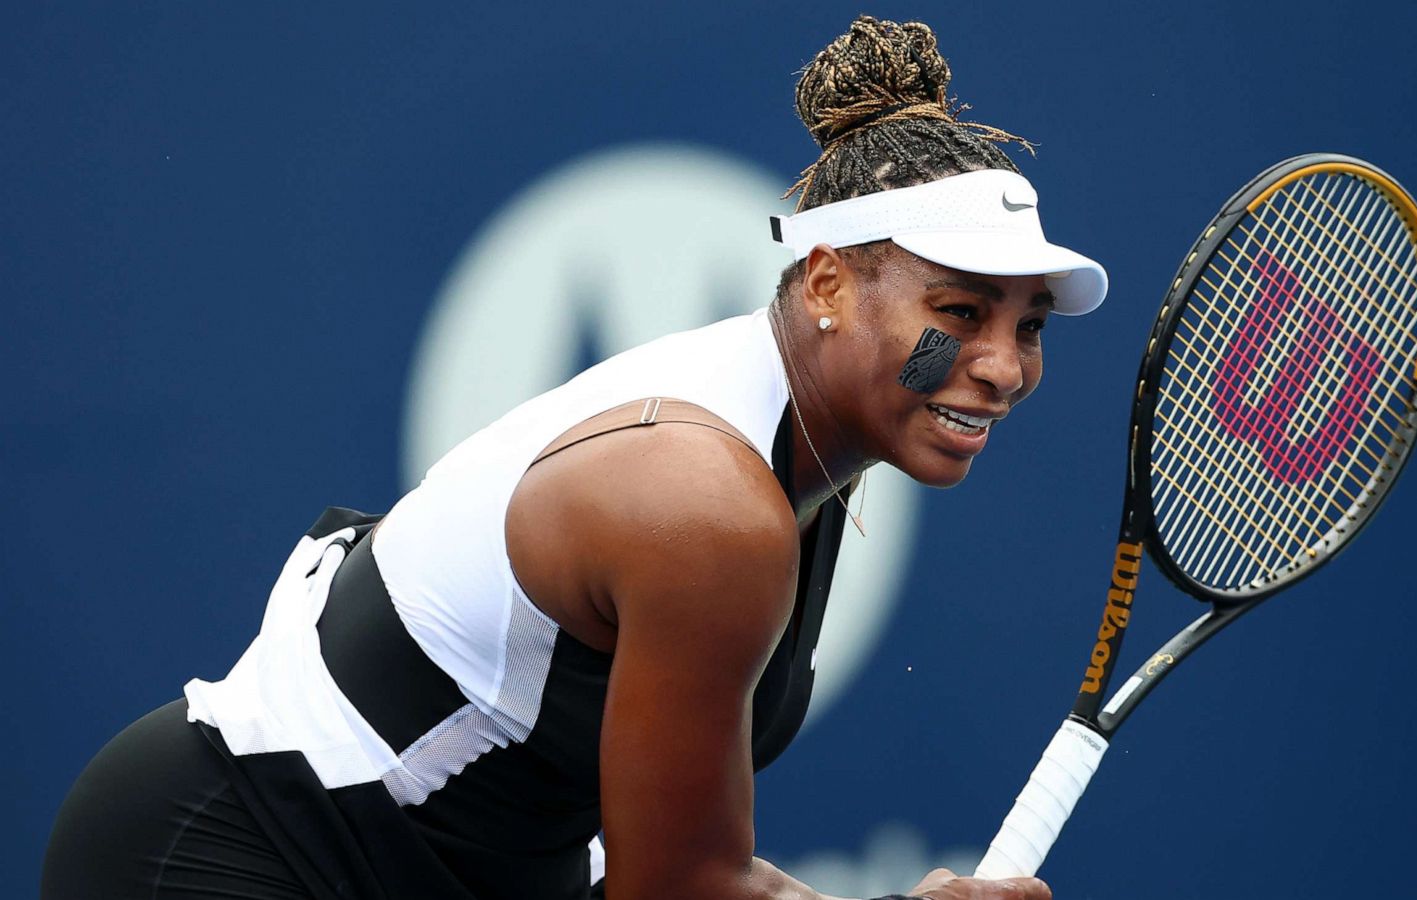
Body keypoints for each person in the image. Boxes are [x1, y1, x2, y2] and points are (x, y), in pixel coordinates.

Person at [41, 15, 1107, 900]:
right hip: (224, 861)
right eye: (959, 311)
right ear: (826, 284)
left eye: (1028, 328)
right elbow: (675, 891)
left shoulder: (786, 449)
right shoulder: (707, 503)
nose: (1001, 367)